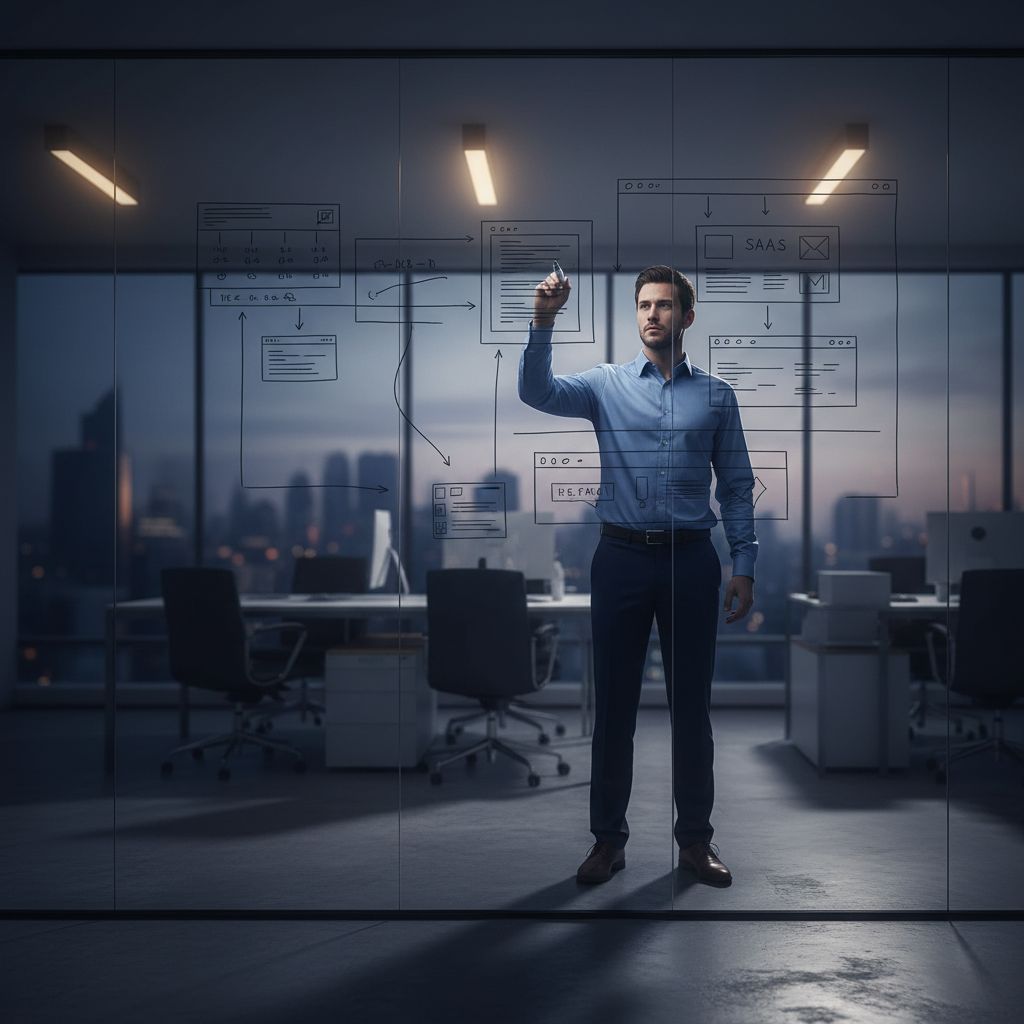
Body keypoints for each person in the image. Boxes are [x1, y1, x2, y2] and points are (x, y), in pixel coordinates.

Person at [518, 265, 757, 887]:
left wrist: (744, 564)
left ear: (688, 316)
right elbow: (536, 393)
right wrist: (543, 320)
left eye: (666, 305)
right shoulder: (604, 385)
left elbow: (735, 488)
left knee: (691, 710)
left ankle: (695, 843)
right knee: (616, 708)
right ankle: (607, 842)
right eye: (645, 305)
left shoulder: (717, 396)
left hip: (691, 560)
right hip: (620, 557)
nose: (653, 315)